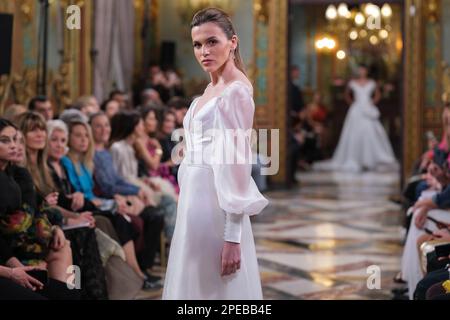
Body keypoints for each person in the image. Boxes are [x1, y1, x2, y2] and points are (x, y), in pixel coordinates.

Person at [162, 8, 269, 300]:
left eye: (212, 42)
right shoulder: (209, 90)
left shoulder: (235, 92)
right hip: (193, 203)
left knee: (217, 291)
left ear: (232, 42)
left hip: (215, 209)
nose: (203, 51)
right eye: (197, 44)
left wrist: (232, 237)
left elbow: (237, 167)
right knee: (193, 286)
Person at [314, 64, 397, 172]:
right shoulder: (353, 82)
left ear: (366, 71)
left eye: (363, 70)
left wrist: (371, 102)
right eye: (360, 70)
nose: (362, 72)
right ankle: (356, 158)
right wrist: (353, 103)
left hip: (367, 108)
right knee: (354, 133)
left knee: (370, 131)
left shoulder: (371, 82)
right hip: (357, 109)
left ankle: (370, 158)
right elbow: (346, 94)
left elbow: (377, 94)